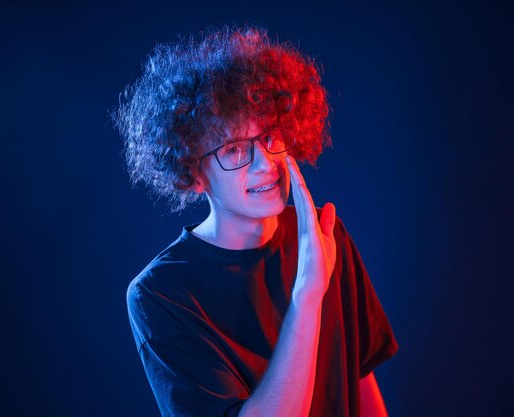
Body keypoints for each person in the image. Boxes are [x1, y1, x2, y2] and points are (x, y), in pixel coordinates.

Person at [113, 24, 398, 417]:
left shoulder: (322, 236)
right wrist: (307, 294)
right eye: (234, 149)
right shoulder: (159, 294)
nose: (266, 164)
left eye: (269, 137)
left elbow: (360, 384)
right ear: (193, 173)